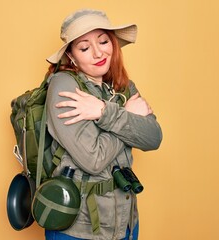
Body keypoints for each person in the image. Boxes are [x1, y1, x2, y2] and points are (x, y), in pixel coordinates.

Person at [44, 9, 162, 240]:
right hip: (79, 229)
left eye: (104, 41)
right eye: (85, 47)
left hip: (125, 224)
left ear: (113, 43)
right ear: (71, 56)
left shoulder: (122, 85)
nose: (98, 52)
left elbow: (153, 138)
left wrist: (102, 111)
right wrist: (122, 115)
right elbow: (94, 160)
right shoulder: (64, 87)